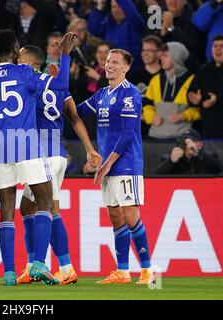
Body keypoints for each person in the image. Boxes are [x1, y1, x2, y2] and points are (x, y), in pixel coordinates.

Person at [0, 30, 76, 286]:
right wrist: (65, 56)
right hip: (28, 147)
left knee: (6, 212)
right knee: (45, 203)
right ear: (17, 50)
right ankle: (39, 264)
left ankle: (9, 273)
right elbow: (61, 86)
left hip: (1, 150)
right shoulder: (25, 72)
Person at [16, 44, 102, 285]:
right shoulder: (55, 85)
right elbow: (74, 119)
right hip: (51, 155)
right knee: (26, 207)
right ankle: (33, 264)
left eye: (20, 58)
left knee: (51, 209)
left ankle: (64, 267)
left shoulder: (26, 86)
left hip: (46, 156)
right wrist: (89, 149)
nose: (16, 61)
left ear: (31, 64)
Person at [76, 48, 155, 284]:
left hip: (126, 164)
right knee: (114, 215)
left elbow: (128, 133)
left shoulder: (130, 94)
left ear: (126, 67)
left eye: (115, 62)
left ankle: (148, 270)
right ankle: (122, 271)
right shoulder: (102, 94)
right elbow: (76, 112)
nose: (109, 64)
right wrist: (55, 87)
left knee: (130, 214)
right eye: (108, 61)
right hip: (107, 167)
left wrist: (107, 163)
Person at [142, 42, 199, 139]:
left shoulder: (193, 80)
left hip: (182, 138)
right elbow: (147, 104)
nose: (161, 58)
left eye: (165, 55)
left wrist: (182, 116)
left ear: (176, 57)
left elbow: (200, 109)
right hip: (156, 135)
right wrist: (151, 117)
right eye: (161, 55)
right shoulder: (155, 80)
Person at [87, 0, 145, 71]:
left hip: (131, 71)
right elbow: (93, 29)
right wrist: (99, 8)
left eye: (120, 7)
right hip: (111, 71)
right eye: (114, 7)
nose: (116, 10)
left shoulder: (134, 24)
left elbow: (132, 12)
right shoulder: (108, 24)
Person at [187, 35, 223, 139]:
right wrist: (195, 100)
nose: (218, 49)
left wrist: (217, 100)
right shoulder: (203, 70)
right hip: (208, 129)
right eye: (215, 46)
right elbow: (191, 93)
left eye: (221, 46)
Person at [129, 35, 163, 139]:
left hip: (162, 126)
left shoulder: (165, 75)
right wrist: (144, 117)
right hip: (139, 129)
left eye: (150, 50)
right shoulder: (134, 76)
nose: (145, 54)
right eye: (143, 50)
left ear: (159, 53)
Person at [155, 129, 222, 174]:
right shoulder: (171, 156)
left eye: (192, 140)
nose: (188, 144)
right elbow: (157, 176)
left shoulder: (208, 156)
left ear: (200, 145)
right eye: (185, 141)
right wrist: (171, 161)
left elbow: (219, 169)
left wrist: (198, 154)